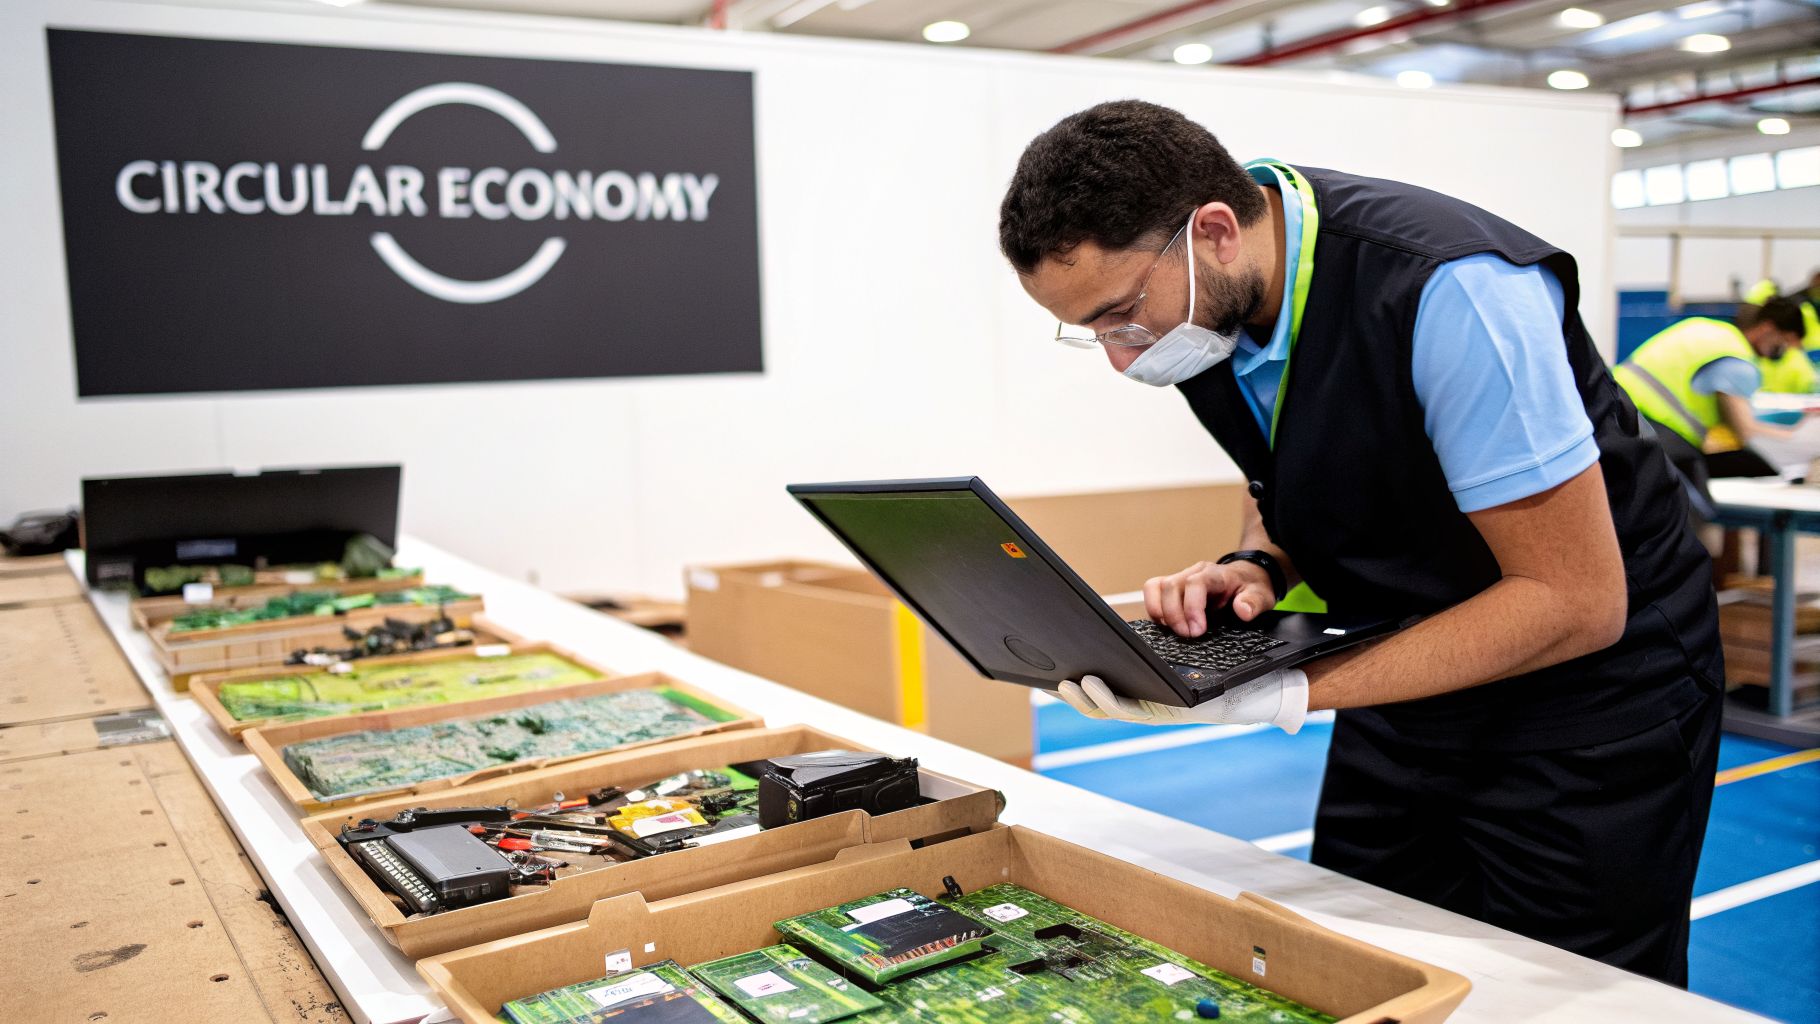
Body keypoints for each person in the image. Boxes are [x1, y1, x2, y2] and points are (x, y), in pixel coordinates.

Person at [996, 100, 1722, 985]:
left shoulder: (1454, 289)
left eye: (1122, 316)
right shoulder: (1214, 305)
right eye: (1095, 332)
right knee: (1361, 966)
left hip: (1588, 703)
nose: (1121, 356)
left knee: (1573, 996)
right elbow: (1297, 463)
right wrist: (1256, 565)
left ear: (1216, 232)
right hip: (1410, 667)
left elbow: (1574, 601)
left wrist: (1283, 688)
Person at [1615, 301, 1809, 500]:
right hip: (1651, 427)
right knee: (1689, 506)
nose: (1782, 351)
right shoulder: (1737, 359)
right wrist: (1800, 441)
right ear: (1767, 328)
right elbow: (1745, 430)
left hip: (1615, 405)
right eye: (1783, 341)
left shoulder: (1711, 330)